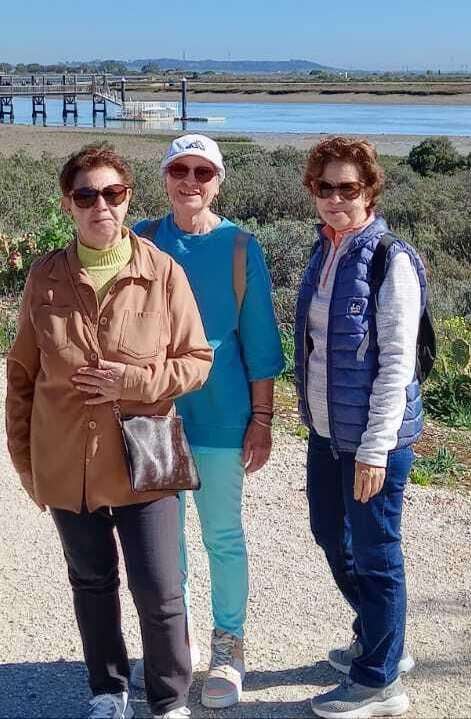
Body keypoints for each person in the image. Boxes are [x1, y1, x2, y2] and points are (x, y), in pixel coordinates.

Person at [7, 145, 213, 719]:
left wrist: (133, 381)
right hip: (66, 461)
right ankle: (108, 689)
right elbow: (22, 375)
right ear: (68, 204)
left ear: (127, 199)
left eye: (113, 193)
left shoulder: (162, 272)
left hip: (143, 461)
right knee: (91, 584)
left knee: (160, 592)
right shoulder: (45, 276)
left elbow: (197, 361)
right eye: (87, 195)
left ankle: (169, 700)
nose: (102, 205)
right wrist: (27, 462)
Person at [132, 135, 284, 710]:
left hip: (222, 416)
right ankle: (179, 641)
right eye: (179, 170)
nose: (190, 182)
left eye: (202, 172)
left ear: (218, 181)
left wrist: (262, 417)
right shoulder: (141, 238)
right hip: (154, 413)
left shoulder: (240, 247)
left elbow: (261, 342)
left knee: (222, 535)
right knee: (163, 543)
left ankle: (229, 644)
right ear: (166, 177)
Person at [294, 136, 427, 719]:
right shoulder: (324, 252)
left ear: (370, 189)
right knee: (331, 534)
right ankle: (381, 641)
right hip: (327, 433)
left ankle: (379, 682)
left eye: (348, 187)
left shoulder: (388, 258)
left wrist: (374, 450)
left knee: (376, 555)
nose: (335, 197)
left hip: (374, 440)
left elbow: (397, 362)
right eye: (325, 187)